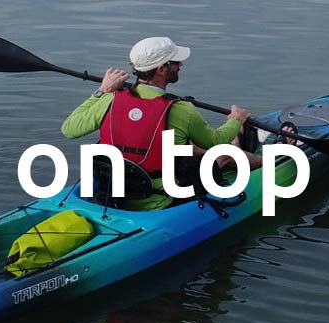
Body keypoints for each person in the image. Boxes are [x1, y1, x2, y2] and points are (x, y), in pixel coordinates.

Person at [60, 36, 253, 210]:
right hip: (160, 202)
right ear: (161, 69)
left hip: (113, 194)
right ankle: (245, 154)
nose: (180, 65)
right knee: (216, 154)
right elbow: (215, 141)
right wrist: (235, 120)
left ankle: (237, 149)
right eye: (175, 62)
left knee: (187, 147)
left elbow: (69, 129)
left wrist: (102, 90)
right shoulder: (181, 109)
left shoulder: (109, 99)